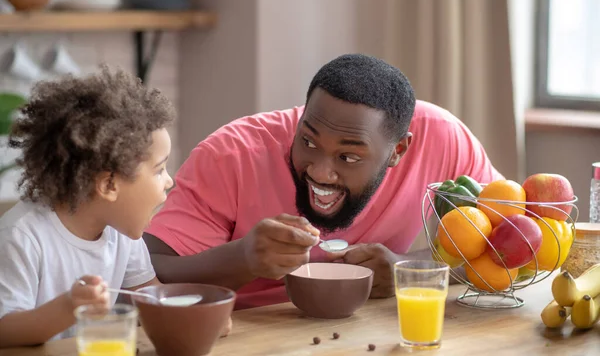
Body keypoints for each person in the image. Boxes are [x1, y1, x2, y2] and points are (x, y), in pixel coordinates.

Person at [144, 54, 503, 310]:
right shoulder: (231, 155)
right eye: (308, 142)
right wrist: (242, 259)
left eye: (348, 157)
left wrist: (406, 271)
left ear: (398, 150)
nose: (320, 171)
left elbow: (507, 242)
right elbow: (147, 272)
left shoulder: (442, 137)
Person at [0, 67, 230, 347]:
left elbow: (150, 298)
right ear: (109, 185)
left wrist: (197, 318)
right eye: (158, 170)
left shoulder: (120, 233)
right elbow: (4, 330)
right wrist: (66, 309)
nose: (169, 181)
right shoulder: (22, 237)